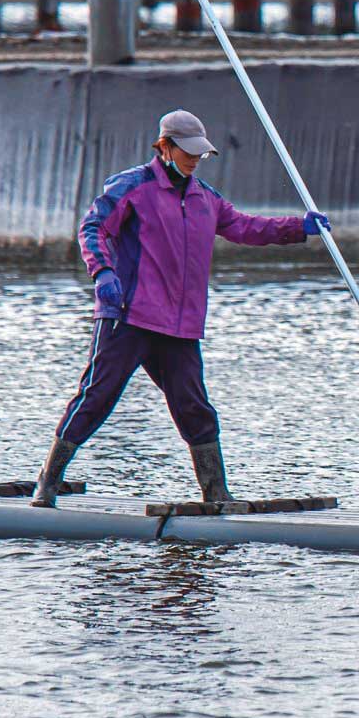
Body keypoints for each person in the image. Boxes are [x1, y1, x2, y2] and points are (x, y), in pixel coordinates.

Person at [31, 109, 330, 507]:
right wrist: (102, 272)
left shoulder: (205, 198)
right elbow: (93, 228)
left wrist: (298, 227)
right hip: (128, 314)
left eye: (200, 153)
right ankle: (47, 483)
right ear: (165, 147)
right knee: (97, 396)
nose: (194, 158)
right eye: (187, 151)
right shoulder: (132, 186)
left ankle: (216, 493)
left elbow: (245, 227)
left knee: (195, 407)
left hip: (179, 326)